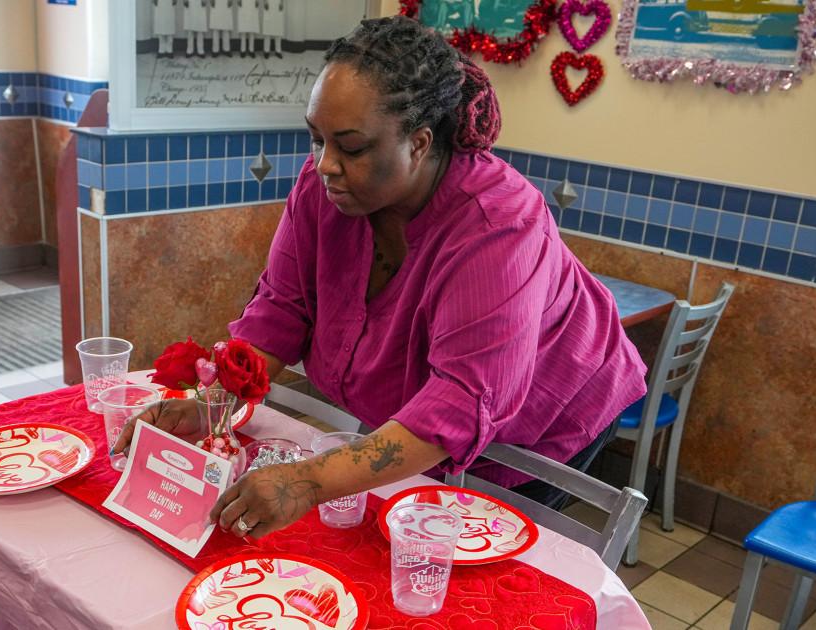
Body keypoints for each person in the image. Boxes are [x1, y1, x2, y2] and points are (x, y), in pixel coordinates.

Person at [113, 15, 646, 540]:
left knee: (467, 559)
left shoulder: (497, 225)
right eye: (316, 140)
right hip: (431, 417)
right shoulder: (326, 187)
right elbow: (282, 309)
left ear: (418, 142)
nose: (324, 164)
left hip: (546, 416)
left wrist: (308, 481)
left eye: (351, 147)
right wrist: (212, 408)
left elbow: (461, 400)